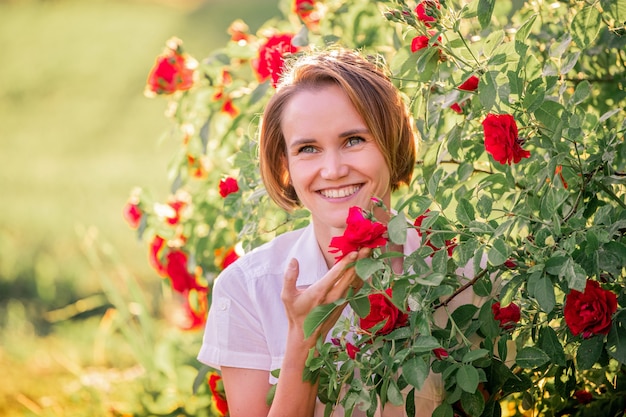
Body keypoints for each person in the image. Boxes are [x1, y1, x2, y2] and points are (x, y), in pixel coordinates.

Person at [198, 48, 478, 416]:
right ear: (286, 164)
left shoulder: (465, 272)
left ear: (391, 142)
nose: (332, 170)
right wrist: (304, 339)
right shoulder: (247, 289)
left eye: (354, 140)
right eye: (308, 148)